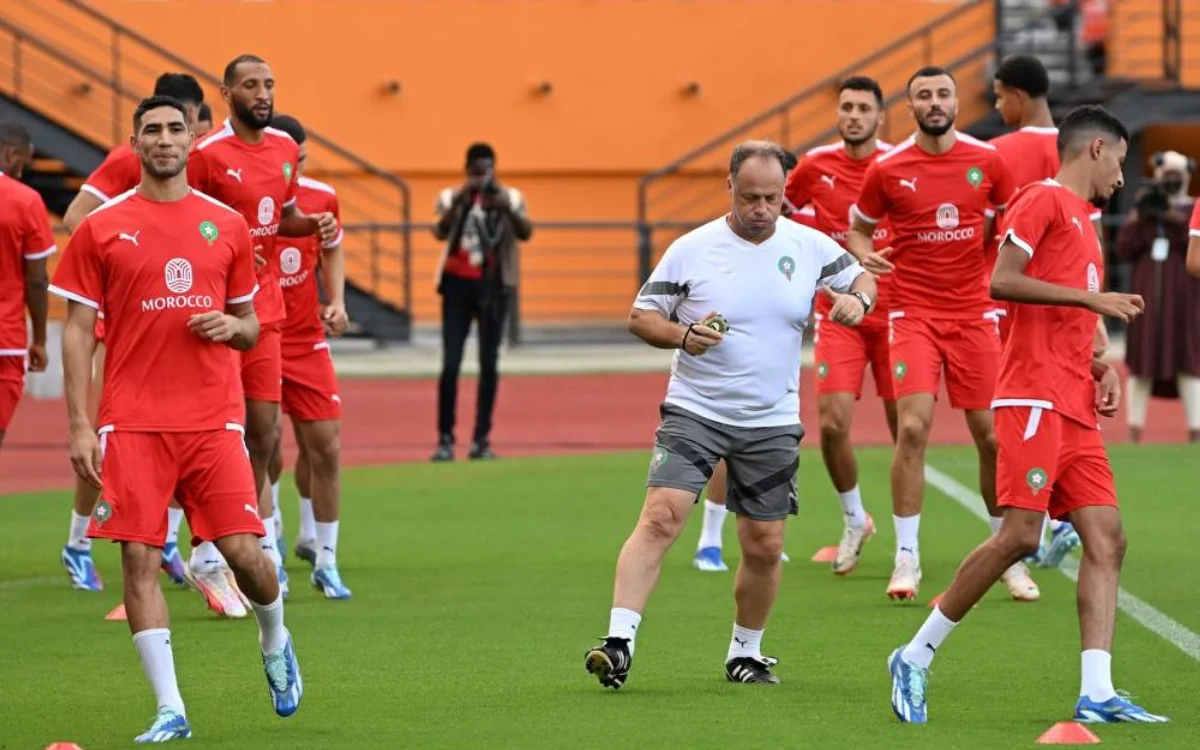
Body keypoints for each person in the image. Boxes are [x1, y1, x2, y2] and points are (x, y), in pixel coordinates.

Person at [888, 104, 1168, 726]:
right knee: (1020, 535)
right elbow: (1002, 281)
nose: (1122, 178)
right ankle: (914, 654)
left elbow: (1065, 318)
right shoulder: (1041, 199)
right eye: (1120, 161)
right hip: (1032, 399)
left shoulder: (1085, 222)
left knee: (1108, 538)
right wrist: (1091, 300)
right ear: (1095, 149)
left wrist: (1097, 365)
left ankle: (1097, 692)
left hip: (1074, 403)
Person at [49, 95, 304, 742]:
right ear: (134, 143)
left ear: (192, 139)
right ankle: (171, 709)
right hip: (131, 420)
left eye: (174, 129)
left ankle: (274, 638)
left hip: (212, 418)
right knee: (138, 558)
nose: (164, 139)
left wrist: (233, 327)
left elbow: (250, 325)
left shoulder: (227, 225)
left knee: (246, 556)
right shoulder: (102, 228)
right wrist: (79, 424)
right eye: (151, 131)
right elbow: (77, 331)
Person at [584, 140, 877, 689]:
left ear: (785, 192)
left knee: (765, 544)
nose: (761, 209)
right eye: (749, 198)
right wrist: (682, 335)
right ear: (730, 188)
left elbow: (862, 278)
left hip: (771, 419)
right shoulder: (692, 249)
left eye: (772, 198)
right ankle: (619, 642)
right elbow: (642, 316)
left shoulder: (809, 245)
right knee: (661, 516)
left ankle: (746, 653)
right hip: (696, 408)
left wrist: (858, 300)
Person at [847, 66, 1040, 603]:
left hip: (975, 313)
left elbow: (1013, 223)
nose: (935, 102)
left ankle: (1007, 556)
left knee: (992, 436)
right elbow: (858, 229)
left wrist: (1002, 272)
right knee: (912, 428)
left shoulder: (988, 161)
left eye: (943, 94)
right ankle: (906, 557)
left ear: (956, 101)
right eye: (924, 96)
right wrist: (865, 255)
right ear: (910, 107)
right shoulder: (888, 168)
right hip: (913, 314)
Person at [186, 54, 337, 610]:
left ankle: (246, 542)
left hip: (265, 312)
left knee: (264, 434)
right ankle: (207, 548)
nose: (263, 93)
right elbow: (183, 221)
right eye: (250, 85)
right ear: (228, 94)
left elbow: (281, 217)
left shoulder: (282, 149)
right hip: (214, 313)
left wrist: (311, 224)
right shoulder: (206, 156)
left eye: (269, 84)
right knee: (214, 431)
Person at [60, 71, 207, 593]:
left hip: (183, 317)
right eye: (165, 127)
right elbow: (77, 215)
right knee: (114, 432)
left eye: (183, 128)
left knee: (188, 428)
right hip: (123, 318)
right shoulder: (131, 160)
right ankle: (79, 543)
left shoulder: (203, 165)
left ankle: (170, 539)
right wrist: (125, 266)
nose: (174, 137)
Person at [991, 53, 1099, 566]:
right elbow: (1088, 245)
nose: (997, 107)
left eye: (998, 97)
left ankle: (1031, 520)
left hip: (1013, 310)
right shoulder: (1080, 154)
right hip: (1071, 317)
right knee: (1056, 410)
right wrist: (1096, 314)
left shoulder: (996, 152)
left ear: (1017, 95)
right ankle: (1057, 516)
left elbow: (991, 238)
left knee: (1003, 421)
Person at [262, 113, 353, 600]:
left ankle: (326, 559)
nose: (293, 169)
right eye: (286, 160)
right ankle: (269, 547)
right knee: (264, 442)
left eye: (299, 159)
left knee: (326, 447)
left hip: (306, 340)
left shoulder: (322, 198)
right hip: (260, 337)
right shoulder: (248, 199)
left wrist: (336, 301)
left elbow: (333, 246)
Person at [430, 143, 532, 462]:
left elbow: (526, 232)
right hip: (457, 287)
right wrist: (463, 198)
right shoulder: (452, 197)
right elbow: (440, 230)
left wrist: (505, 207)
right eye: (475, 172)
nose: (481, 177)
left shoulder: (510, 197)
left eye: (486, 171)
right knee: (451, 363)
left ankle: (481, 439)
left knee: (489, 364)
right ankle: (445, 439)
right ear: (466, 171)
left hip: (494, 287)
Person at [1117, 151, 1200, 444]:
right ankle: (1134, 432)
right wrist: (1141, 215)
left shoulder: (1192, 209)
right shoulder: (1144, 210)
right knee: (1141, 364)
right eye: (1166, 175)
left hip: (1185, 303)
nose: (1171, 180)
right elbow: (1123, 249)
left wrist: (1171, 217)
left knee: (1190, 363)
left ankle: (1196, 431)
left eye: (1176, 175)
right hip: (1146, 303)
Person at [0, 123, 53, 450]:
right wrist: (41, 340)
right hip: (4, 339)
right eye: (23, 164)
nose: (22, 172)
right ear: (10, 155)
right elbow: (37, 279)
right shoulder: (25, 200)